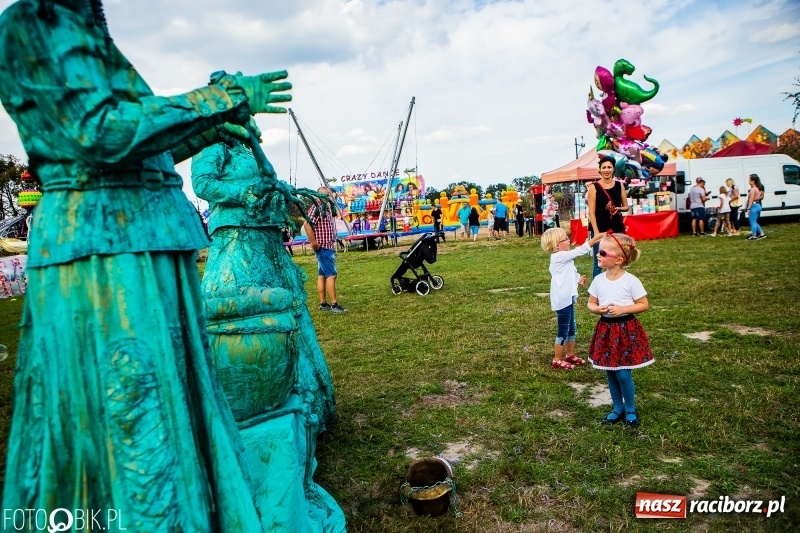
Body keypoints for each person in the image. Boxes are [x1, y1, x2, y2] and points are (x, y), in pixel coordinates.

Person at [0, 0, 298, 528]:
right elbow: (100, 134)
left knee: (164, 398)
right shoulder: (34, 22)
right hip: (105, 252)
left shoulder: (79, 28)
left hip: (136, 241)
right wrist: (219, 99)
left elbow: (140, 149)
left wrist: (213, 126)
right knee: (129, 401)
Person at [587, 232, 653, 428]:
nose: (597, 255)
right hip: (606, 330)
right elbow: (591, 303)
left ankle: (630, 409)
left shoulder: (630, 281)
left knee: (623, 373)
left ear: (618, 259)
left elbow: (643, 304)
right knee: (610, 371)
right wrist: (596, 309)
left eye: (602, 253)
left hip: (625, 331)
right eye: (598, 252)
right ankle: (617, 408)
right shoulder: (598, 280)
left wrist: (623, 309)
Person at [541, 228, 604, 370]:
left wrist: (577, 280)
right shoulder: (558, 256)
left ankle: (570, 354)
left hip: (567, 299)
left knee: (571, 328)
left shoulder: (563, 258)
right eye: (566, 239)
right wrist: (595, 239)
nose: (569, 241)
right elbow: (579, 251)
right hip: (562, 301)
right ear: (557, 245)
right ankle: (557, 359)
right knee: (563, 330)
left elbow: (568, 273)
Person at [305, 187, 347, 312]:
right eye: (324, 195)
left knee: (322, 275)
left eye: (328, 195)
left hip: (327, 246)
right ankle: (334, 305)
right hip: (323, 247)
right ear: (318, 196)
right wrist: (314, 243)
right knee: (332, 275)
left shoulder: (326, 208)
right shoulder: (317, 208)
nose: (327, 197)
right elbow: (307, 225)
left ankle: (323, 304)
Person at [587, 155, 629, 278]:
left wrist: (618, 208)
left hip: (617, 227)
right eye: (604, 167)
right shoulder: (593, 187)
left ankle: (616, 285)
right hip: (600, 228)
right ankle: (596, 288)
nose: (606, 170)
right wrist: (596, 233)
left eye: (609, 167)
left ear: (613, 169)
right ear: (600, 169)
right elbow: (591, 212)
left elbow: (626, 206)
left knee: (619, 259)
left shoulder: (619, 185)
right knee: (599, 262)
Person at [744, 174, 766, 240]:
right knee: (755, 221)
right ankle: (762, 234)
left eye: (749, 180)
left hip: (754, 206)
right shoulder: (758, 188)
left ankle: (754, 235)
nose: (748, 181)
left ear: (753, 181)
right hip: (758, 205)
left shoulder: (753, 189)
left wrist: (748, 208)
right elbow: (760, 196)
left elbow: (751, 199)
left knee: (752, 222)